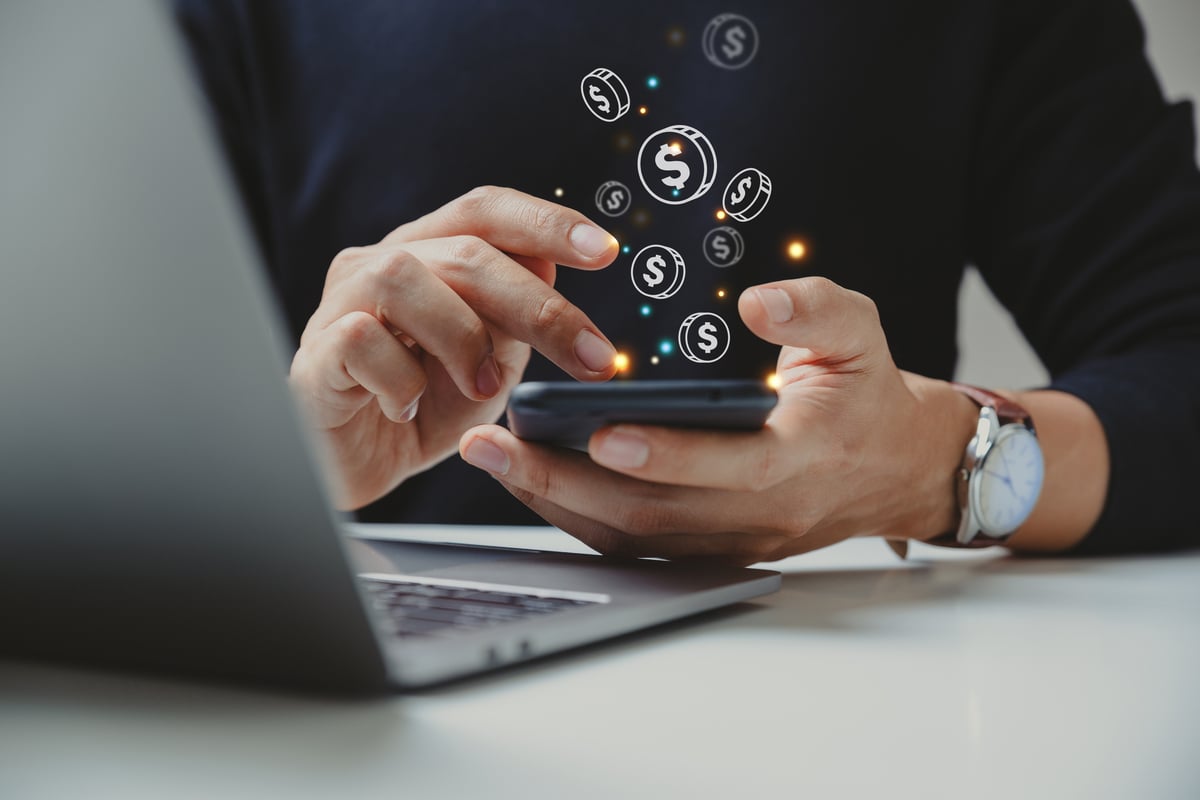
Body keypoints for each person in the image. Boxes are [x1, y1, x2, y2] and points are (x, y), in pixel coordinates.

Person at [174, 0, 1200, 562]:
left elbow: (1180, 356)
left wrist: (941, 465)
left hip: (847, 695)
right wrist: (285, 471)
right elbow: (114, 417)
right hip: (373, 709)